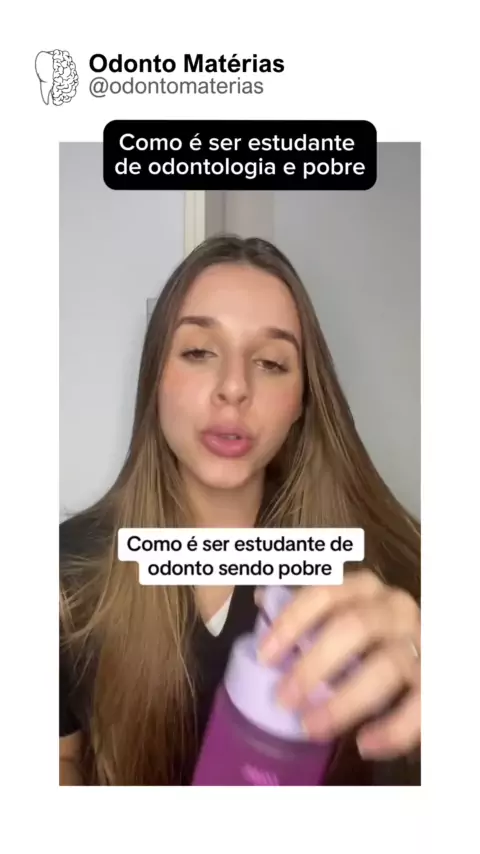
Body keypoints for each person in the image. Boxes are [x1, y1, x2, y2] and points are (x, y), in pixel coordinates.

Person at [60, 234, 421, 786]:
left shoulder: (387, 574)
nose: (234, 387)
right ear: (155, 379)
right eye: (199, 352)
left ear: (302, 401)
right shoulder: (68, 569)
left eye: (272, 362)